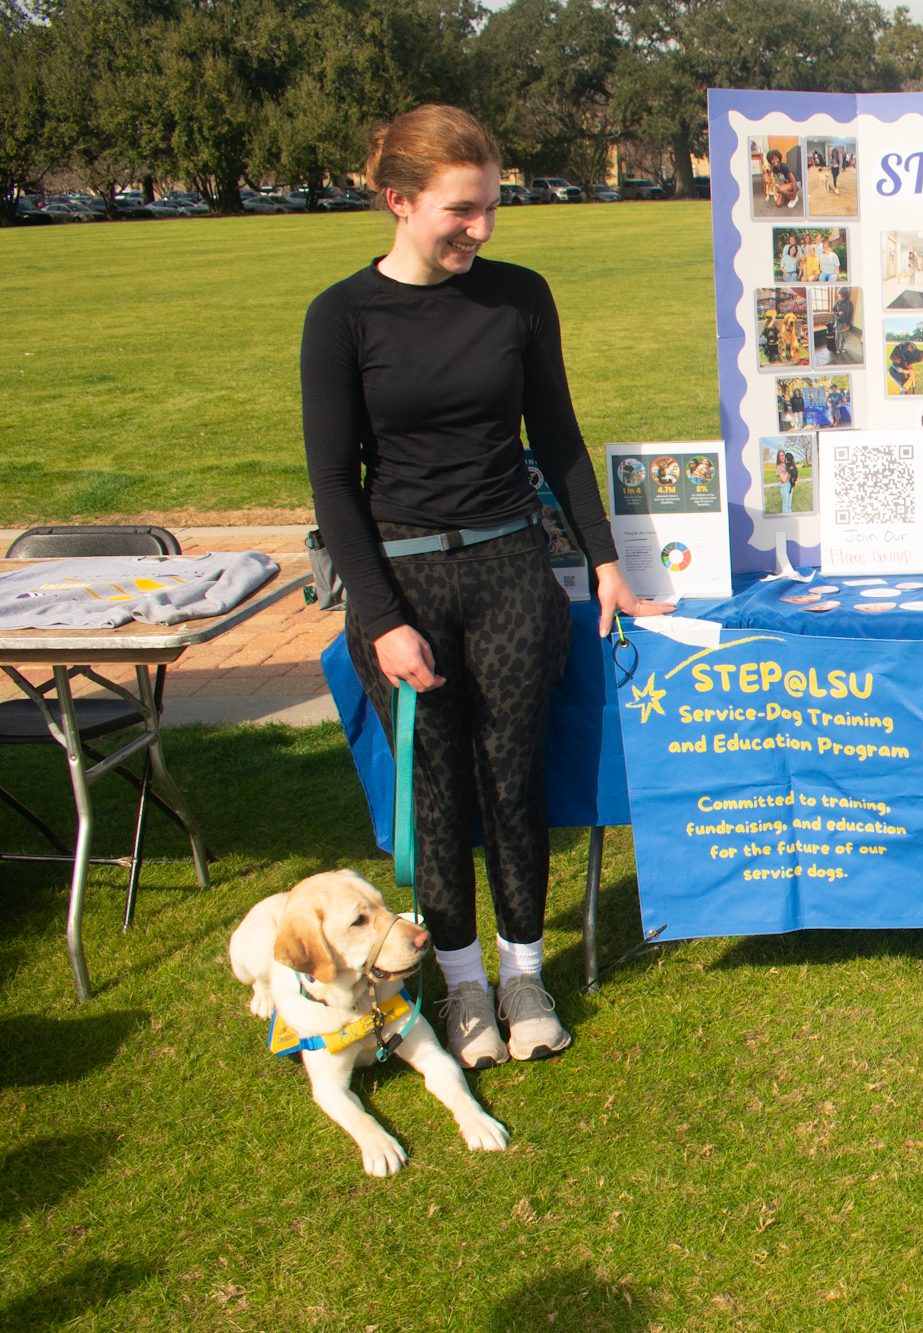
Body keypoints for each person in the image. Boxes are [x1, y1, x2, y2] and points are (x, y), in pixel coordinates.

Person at [301, 105, 670, 1071]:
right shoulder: (341, 316)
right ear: (399, 200)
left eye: (491, 209)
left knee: (513, 784)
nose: (481, 230)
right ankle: (461, 987)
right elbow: (337, 485)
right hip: (405, 584)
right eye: (461, 212)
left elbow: (557, 437)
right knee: (439, 794)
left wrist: (603, 560)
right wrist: (380, 621)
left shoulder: (519, 298)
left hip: (511, 572)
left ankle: (522, 974)